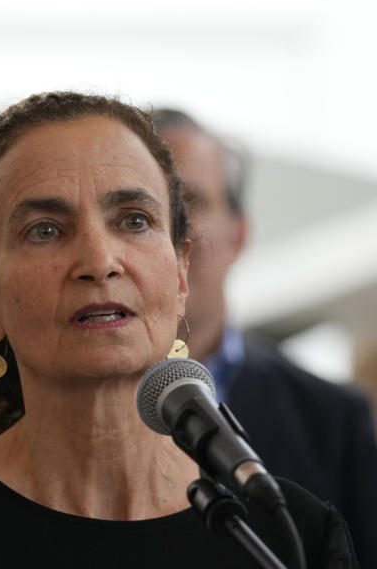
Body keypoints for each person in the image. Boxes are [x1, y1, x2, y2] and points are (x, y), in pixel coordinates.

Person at [0, 92, 357, 567]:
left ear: (181, 269)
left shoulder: (291, 537)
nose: (99, 260)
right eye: (45, 230)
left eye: (134, 220)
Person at [152, 107, 377, 567]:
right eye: (140, 209)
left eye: (188, 201)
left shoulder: (333, 421)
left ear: (239, 236)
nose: (165, 228)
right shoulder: (42, 409)